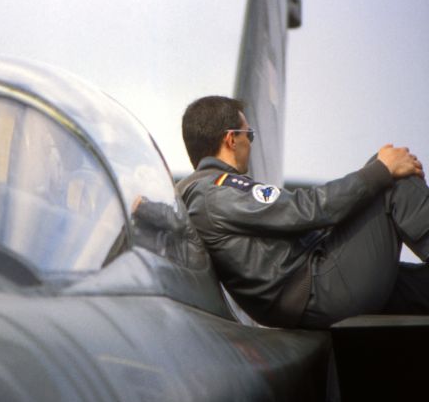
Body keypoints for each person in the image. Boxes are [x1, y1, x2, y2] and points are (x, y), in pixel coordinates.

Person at [176, 95, 429, 328]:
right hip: (320, 289)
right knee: (392, 176)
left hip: (314, 288)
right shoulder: (217, 192)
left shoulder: (202, 194)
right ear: (231, 139)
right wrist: (382, 170)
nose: (250, 144)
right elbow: (305, 209)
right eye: (249, 135)